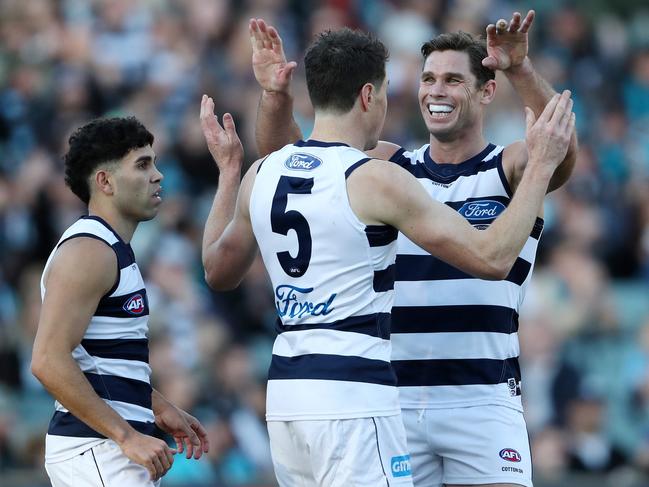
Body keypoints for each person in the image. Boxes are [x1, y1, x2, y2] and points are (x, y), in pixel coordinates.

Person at [201, 21, 573, 487]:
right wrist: (275, 98)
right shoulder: (391, 168)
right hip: (390, 394)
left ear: (485, 92)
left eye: (453, 79)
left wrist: (521, 70)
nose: (435, 90)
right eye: (427, 78)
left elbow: (559, 151)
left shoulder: (510, 165)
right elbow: (304, 165)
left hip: (479, 395)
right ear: (371, 96)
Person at [31, 117, 210, 486]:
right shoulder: (89, 251)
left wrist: (158, 406)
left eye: (155, 163)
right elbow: (47, 360)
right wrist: (126, 435)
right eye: (143, 165)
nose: (158, 175)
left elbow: (101, 361)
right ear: (105, 182)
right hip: (98, 448)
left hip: (108, 448)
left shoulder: (110, 248)